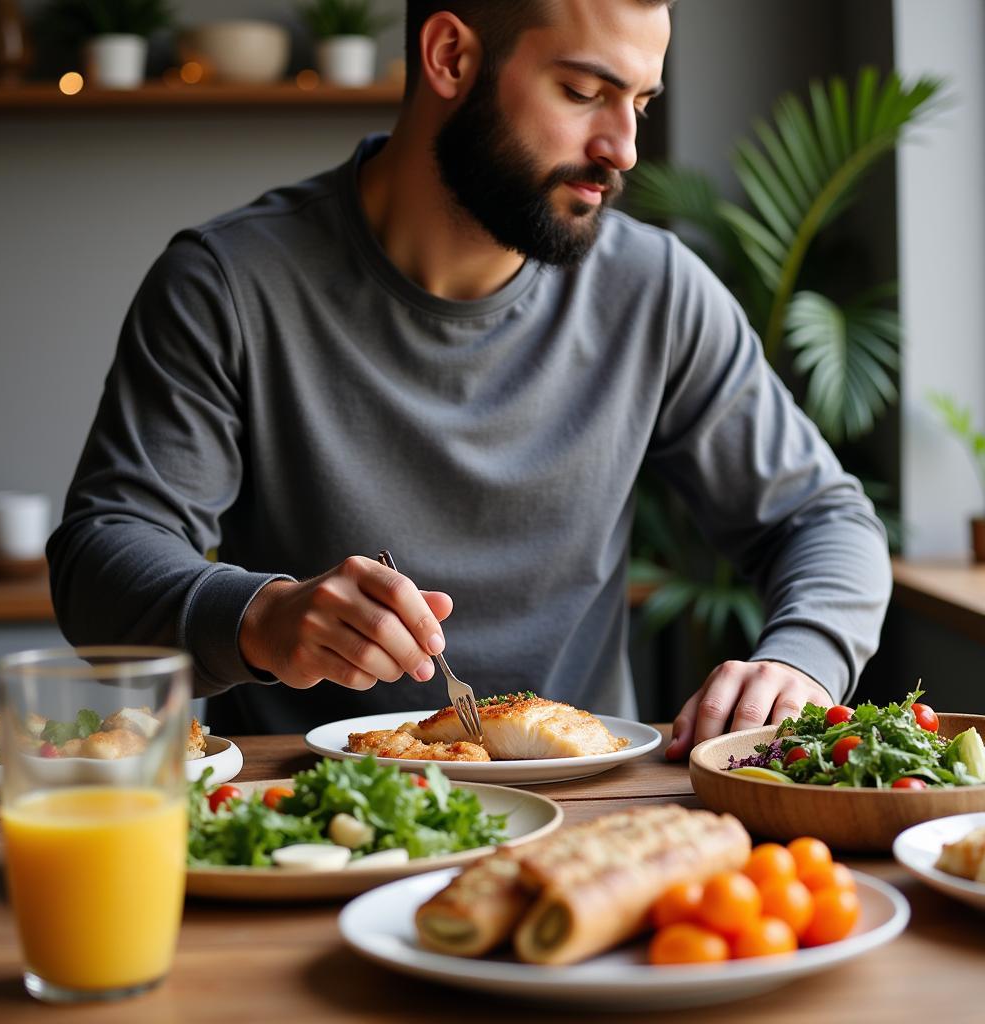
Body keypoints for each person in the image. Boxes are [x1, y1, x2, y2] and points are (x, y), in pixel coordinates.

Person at [47, 0, 891, 758]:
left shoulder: (655, 291)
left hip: (587, 814)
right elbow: (102, 555)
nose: (623, 149)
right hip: (303, 817)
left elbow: (822, 517)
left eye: (640, 102)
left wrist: (800, 662)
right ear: (450, 57)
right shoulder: (229, 283)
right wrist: (261, 617)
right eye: (582, 91)